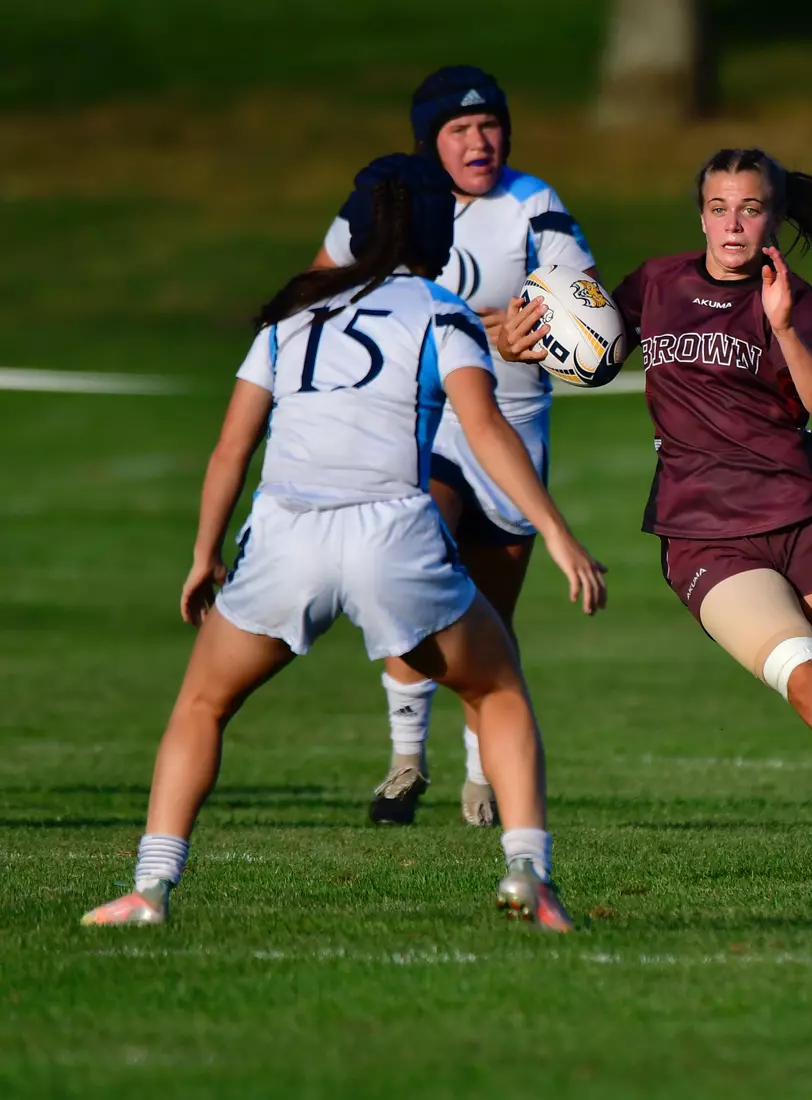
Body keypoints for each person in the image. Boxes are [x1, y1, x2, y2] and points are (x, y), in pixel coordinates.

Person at [80, 154, 607, 930]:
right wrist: (557, 534)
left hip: (284, 538)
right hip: (389, 536)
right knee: (494, 689)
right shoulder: (440, 309)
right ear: (437, 225)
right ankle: (529, 877)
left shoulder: (291, 314)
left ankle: (150, 890)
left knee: (202, 702)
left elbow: (231, 449)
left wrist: (203, 553)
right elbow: (486, 429)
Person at [497, 148, 812, 896]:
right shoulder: (654, 283)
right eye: (718, 208)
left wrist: (784, 330)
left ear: (771, 217)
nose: (732, 224)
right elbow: (584, 342)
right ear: (699, 214)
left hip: (804, 517)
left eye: (750, 209)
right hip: (704, 535)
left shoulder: (790, 300)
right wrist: (516, 343)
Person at [313, 65, 601, 827]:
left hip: (514, 423)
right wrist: (479, 322)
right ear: (428, 141)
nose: (480, 141)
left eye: (490, 125)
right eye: (459, 129)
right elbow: (318, 289)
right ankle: (406, 761)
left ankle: (481, 775)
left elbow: (585, 306)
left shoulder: (531, 202)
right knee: (412, 577)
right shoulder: (387, 201)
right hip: (424, 422)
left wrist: (541, 326)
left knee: (489, 616)